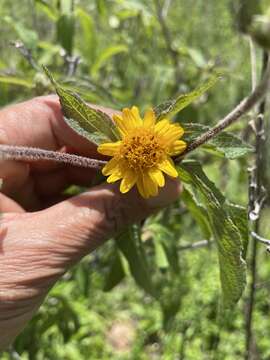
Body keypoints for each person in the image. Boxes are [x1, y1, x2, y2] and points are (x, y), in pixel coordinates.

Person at [0, 95, 181, 350]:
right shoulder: (121, 156)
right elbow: (117, 168)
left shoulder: (155, 151)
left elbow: (169, 152)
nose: (143, 152)